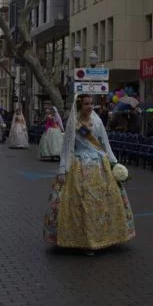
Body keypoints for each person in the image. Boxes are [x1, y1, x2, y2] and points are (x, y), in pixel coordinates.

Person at [43, 94, 136, 253]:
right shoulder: (74, 122)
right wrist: (62, 169)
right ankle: (83, 239)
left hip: (100, 165)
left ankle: (104, 237)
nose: (90, 106)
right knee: (83, 203)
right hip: (79, 165)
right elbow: (67, 147)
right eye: (87, 104)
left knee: (101, 202)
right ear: (80, 105)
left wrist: (115, 163)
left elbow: (105, 143)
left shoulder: (97, 120)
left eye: (91, 103)